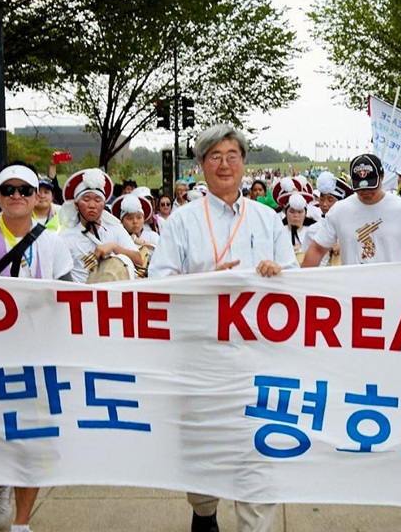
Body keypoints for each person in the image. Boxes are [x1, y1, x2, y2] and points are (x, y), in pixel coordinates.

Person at [149, 125, 295, 532]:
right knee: (202, 451)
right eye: (215, 156)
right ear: (201, 166)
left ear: (244, 164)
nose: (225, 164)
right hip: (201, 358)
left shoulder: (268, 220)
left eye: (233, 155)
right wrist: (205, 279)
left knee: (258, 457)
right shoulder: (182, 221)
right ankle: (204, 512)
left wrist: (278, 274)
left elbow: (300, 284)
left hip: (259, 359)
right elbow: (158, 283)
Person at [0, 163, 73, 532]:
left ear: (38, 193)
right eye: (9, 190)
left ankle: (21, 523)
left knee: (32, 442)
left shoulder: (53, 242)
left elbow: (69, 296)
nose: (18, 197)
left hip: (38, 356)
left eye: (26, 189)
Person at [302, 154, 401, 267]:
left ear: (382, 177)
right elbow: (317, 249)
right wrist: (302, 283)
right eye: (360, 188)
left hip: (392, 288)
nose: (365, 192)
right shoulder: (339, 211)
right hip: (353, 289)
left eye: (371, 187)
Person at [58, 169, 143, 284]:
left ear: (104, 204)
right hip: (83, 298)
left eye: (98, 200)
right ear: (76, 205)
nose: (92, 205)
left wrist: (114, 247)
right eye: (86, 200)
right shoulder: (66, 237)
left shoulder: (115, 228)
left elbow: (138, 260)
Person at [301, 172, 352, 267]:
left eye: (330, 200)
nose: (324, 204)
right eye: (322, 199)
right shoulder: (312, 230)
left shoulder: (353, 228)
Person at [112, 194, 159, 277]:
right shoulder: (117, 239)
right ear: (122, 221)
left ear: (143, 218)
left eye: (139, 217)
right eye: (130, 218)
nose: (135, 221)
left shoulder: (153, 237)